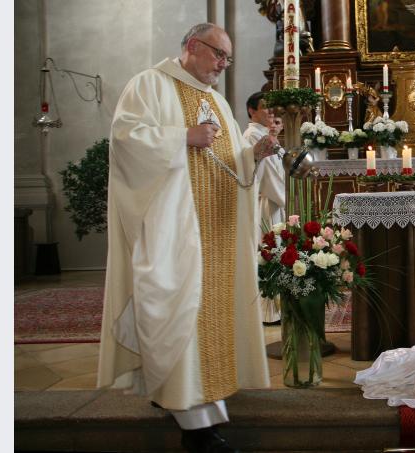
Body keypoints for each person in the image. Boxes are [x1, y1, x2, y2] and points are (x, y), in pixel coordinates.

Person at [98, 23, 276, 453]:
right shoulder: (150, 85)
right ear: (193, 46)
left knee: (205, 323)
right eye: (219, 54)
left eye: (228, 59)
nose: (223, 65)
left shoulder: (216, 101)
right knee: (174, 316)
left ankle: (191, 405)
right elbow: (125, 140)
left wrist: (254, 154)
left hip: (215, 235)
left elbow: (230, 166)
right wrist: (183, 138)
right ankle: (195, 427)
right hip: (174, 236)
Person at [243, 92, 285, 324]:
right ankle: (269, 312)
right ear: (251, 111)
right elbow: (269, 176)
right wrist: (288, 194)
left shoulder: (265, 134)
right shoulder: (252, 135)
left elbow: (277, 165)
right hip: (267, 202)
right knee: (269, 252)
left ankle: (275, 308)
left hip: (273, 200)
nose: (271, 112)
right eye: (265, 108)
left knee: (276, 250)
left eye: (272, 108)